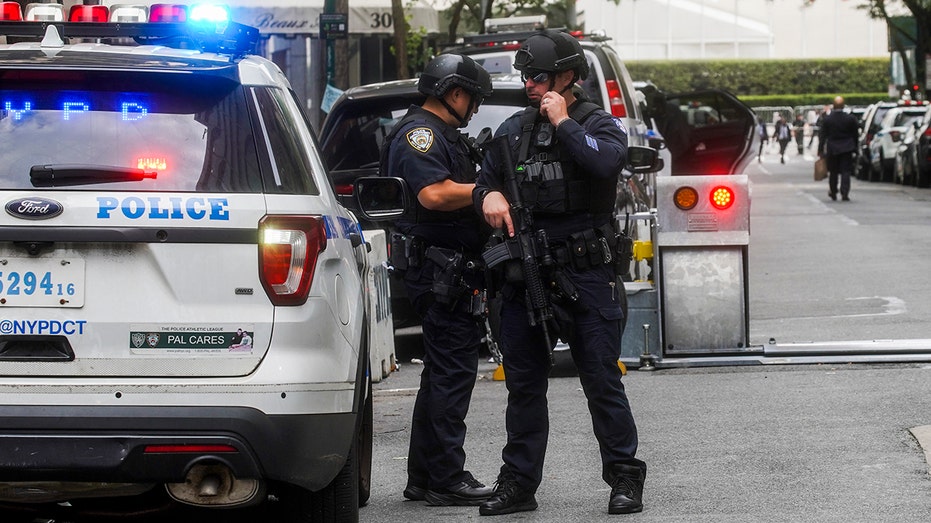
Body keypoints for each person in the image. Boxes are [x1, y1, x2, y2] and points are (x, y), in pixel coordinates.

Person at [473, 30, 646, 516]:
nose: (529, 84)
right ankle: (519, 484)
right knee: (523, 384)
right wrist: (485, 195)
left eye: (540, 76)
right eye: (525, 75)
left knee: (601, 380)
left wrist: (564, 122)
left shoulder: (597, 124)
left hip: (586, 274)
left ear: (568, 77)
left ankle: (625, 476)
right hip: (526, 274)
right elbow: (484, 182)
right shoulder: (512, 131)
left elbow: (607, 162)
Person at [381, 53, 495, 506]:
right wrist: (486, 189)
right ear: (455, 93)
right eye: (474, 99)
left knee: (440, 376)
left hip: (446, 268)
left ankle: (424, 476)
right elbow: (432, 194)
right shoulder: (420, 134)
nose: (475, 109)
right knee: (453, 374)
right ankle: (448, 477)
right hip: (441, 271)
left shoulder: (441, 133)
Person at [818, 96, 859, 201]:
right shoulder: (850, 119)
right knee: (846, 171)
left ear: (833, 106)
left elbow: (822, 135)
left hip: (833, 148)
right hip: (847, 147)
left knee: (833, 171)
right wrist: (855, 147)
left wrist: (821, 149)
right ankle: (845, 192)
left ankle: (833, 191)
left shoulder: (828, 119)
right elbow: (855, 134)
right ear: (843, 106)